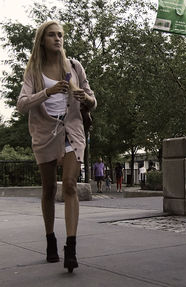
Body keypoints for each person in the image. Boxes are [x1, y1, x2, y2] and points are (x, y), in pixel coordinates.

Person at [17, 21, 97, 272]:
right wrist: (48, 92)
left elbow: (93, 100)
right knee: (49, 188)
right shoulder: (33, 70)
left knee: (71, 185)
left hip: (71, 131)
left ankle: (70, 247)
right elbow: (21, 104)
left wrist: (85, 97)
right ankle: (50, 238)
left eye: (60, 35)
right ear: (42, 40)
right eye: (52, 35)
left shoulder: (74, 67)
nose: (57, 39)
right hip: (44, 133)